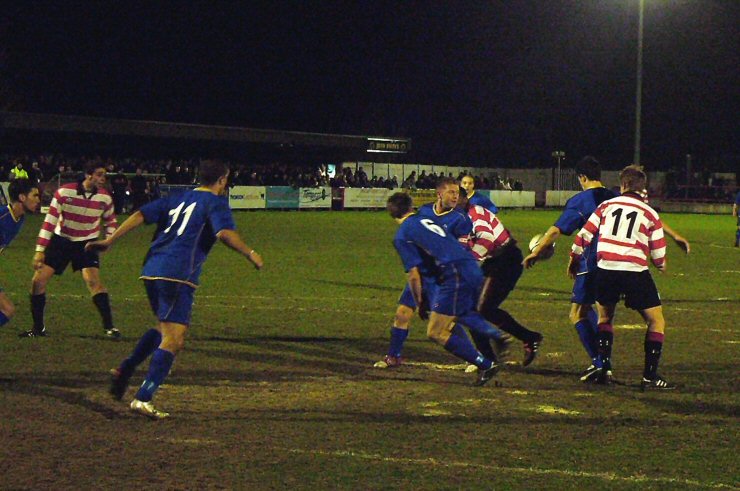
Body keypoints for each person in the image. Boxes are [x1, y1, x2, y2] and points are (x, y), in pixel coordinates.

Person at [87, 159, 263, 419]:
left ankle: (125, 368)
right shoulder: (215, 202)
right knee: (175, 339)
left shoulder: (177, 197)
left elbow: (140, 214)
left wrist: (111, 239)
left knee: (163, 328)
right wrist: (250, 253)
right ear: (222, 180)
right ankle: (143, 398)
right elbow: (224, 233)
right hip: (177, 274)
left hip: (151, 269)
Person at [523, 157, 689, 381]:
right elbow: (649, 216)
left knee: (581, 313)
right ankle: (615, 366)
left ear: (582, 177)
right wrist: (675, 236)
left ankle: (601, 362)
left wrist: (537, 251)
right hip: (625, 265)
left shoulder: (582, 201)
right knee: (619, 315)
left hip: (596, 263)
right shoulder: (614, 196)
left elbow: (556, 231)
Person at [375, 177, 508, 369]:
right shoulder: (424, 212)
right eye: (452, 192)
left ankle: (473, 356)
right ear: (440, 193)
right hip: (421, 273)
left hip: (443, 276)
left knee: (449, 318)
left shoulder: (460, 218)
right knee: (403, 312)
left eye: (457, 193)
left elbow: (459, 246)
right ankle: (393, 356)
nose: (456, 196)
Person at [569, 165, 674, 390]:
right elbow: (658, 254)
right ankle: (650, 376)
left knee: (605, 318)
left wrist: (574, 259)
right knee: (656, 321)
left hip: (606, 269)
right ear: (642, 187)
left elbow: (583, 236)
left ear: (623, 185)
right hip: (635, 271)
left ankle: (604, 367)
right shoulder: (650, 213)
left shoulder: (606, 205)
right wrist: (661, 264)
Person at [22, 162, 119, 338]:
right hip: (62, 241)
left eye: (104, 175)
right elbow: (49, 222)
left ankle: (110, 327)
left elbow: (111, 220)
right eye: (99, 175)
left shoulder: (104, 198)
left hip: (87, 243)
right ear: (88, 175)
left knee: (93, 281)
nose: (102, 179)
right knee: (38, 281)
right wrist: (40, 250)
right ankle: (38, 329)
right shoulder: (65, 192)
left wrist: (107, 240)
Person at [457, 188, 543, 366]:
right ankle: (493, 354)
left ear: (465, 199)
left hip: (507, 260)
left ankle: (489, 357)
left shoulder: (475, 213)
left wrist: (467, 261)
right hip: (493, 261)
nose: (452, 200)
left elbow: (486, 240)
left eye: (456, 196)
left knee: (481, 309)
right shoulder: (458, 218)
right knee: (473, 309)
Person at [0, 179, 41, 327]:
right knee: (7, 309)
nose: (38, 200)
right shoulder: (3, 216)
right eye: (35, 195)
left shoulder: (19, 218)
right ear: (22, 197)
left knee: (7, 309)